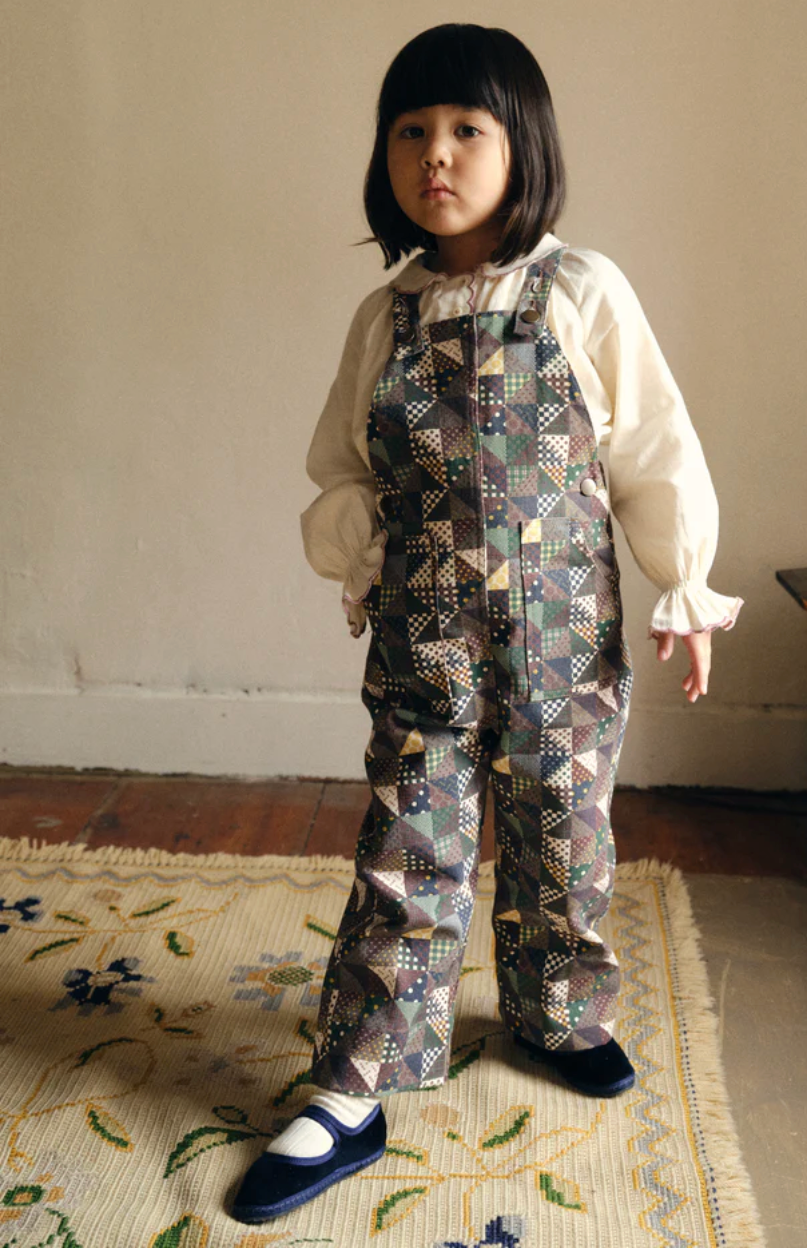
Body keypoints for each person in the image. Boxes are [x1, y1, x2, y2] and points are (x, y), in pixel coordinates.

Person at [231, 21, 743, 1225]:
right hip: (423, 646)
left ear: (524, 146)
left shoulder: (582, 292)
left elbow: (650, 449)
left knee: (561, 836)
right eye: (409, 131)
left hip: (564, 648)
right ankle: (353, 1079)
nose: (436, 155)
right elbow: (346, 468)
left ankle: (556, 1009)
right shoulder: (386, 318)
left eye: (467, 128)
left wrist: (681, 579)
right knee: (409, 851)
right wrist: (357, 562)